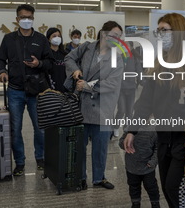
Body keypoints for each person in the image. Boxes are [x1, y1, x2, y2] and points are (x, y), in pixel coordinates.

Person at [124, 13, 185, 208]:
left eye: (164, 30)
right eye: (158, 31)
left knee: (176, 188)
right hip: (164, 136)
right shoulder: (159, 63)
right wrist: (132, 130)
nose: (160, 35)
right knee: (168, 188)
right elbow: (145, 102)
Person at [65, 21, 124, 190]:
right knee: (79, 147)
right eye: (115, 35)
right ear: (104, 34)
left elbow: (113, 83)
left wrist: (88, 86)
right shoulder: (87, 47)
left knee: (101, 147)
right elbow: (69, 58)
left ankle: (99, 178)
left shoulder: (117, 57)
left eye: (120, 37)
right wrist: (74, 70)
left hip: (103, 107)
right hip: (81, 107)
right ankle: (80, 177)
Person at [0, 4, 53, 175]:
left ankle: (40, 158)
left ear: (33, 18)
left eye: (30, 17)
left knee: (40, 129)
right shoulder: (9, 39)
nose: (26, 20)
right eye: (23, 17)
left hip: (37, 92)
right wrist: (2, 71)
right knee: (15, 129)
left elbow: (50, 62)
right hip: (15, 91)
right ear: (17, 19)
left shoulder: (41, 39)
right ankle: (19, 162)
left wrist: (39, 63)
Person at [119, 126, 160, 208]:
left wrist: (153, 161)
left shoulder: (153, 131)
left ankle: (155, 203)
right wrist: (126, 143)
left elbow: (157, 148)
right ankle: (135, 203)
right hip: (132, 167)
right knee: (133, 187)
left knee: (151, 187)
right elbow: (121, 143)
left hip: (148, 168)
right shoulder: (129, 129)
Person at [113, 42, 143, 137]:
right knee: (121, 109)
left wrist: (145, 83)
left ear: (131, 47)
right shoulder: (118, 58)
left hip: (131, 88)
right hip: (120, 88)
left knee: (129, 112)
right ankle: (116, 127)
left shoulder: (135, 59)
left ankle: (126, 129)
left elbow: (139, 72)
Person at [46, 27, 67, 92]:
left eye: (59, 36)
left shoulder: (65, 54)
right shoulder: (45, 54)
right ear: (49, 39)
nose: (57, 38)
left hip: (64, 87)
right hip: (50, 89)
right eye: (54, 36)